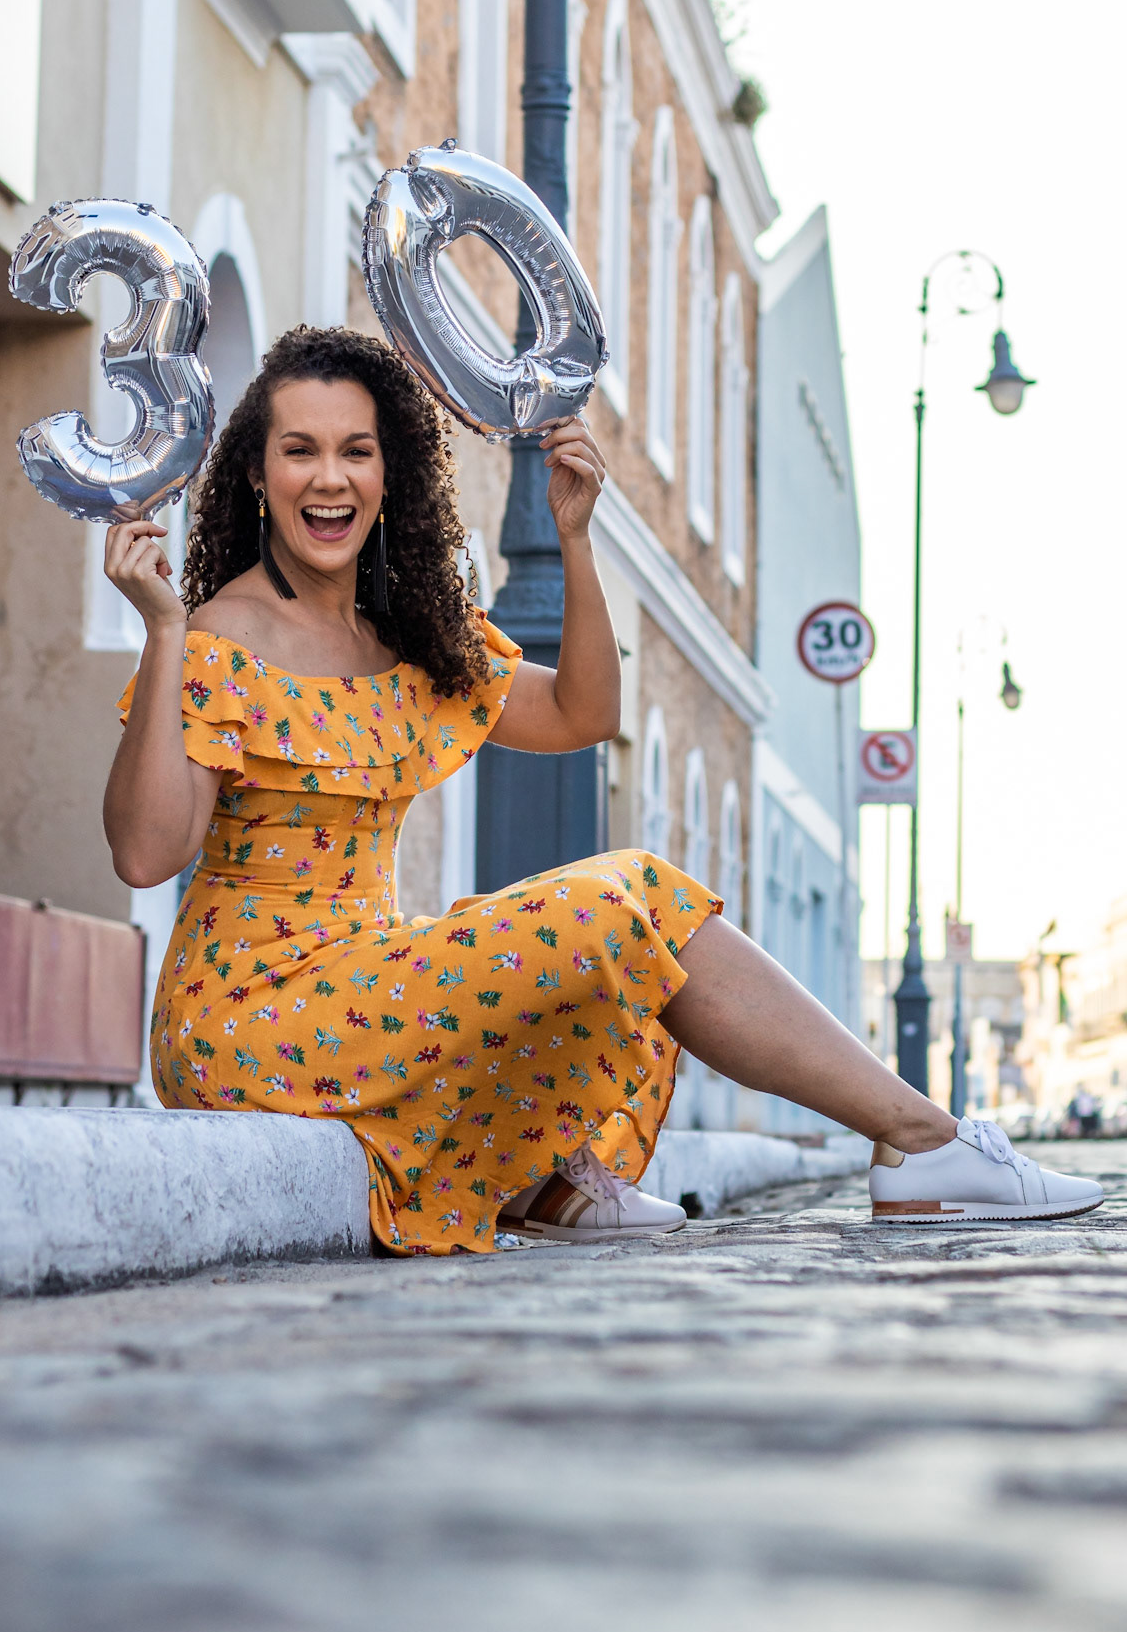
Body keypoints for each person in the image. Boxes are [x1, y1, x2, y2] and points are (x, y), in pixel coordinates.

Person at [104, 327, 1102, 1252]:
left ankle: (580, 1169)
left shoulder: (403, 640)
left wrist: (577, 539)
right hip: (246, 1015)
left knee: (648, 900)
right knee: (606, 913)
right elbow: (147, 854)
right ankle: (916, 1142)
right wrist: (163, 633)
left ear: (388, 472)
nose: (330, 477)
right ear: (258, 473)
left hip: (367, 980)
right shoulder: (217, 637)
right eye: (301, 450)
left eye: (356, 451)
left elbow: (584, 712)